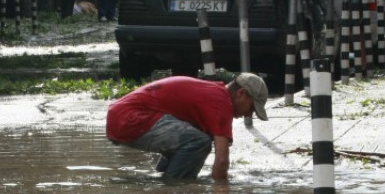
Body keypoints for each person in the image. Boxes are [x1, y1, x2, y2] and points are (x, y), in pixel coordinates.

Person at [106, 73, 269, 181]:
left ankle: (163, 181)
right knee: (199, 142)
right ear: (241, 94)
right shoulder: (221, 103)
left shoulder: (214, 94)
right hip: (130, 117)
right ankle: (172, 191)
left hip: (122, 115)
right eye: (252, 108)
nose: (249, 115)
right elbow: (221, 161)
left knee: (192, 139)